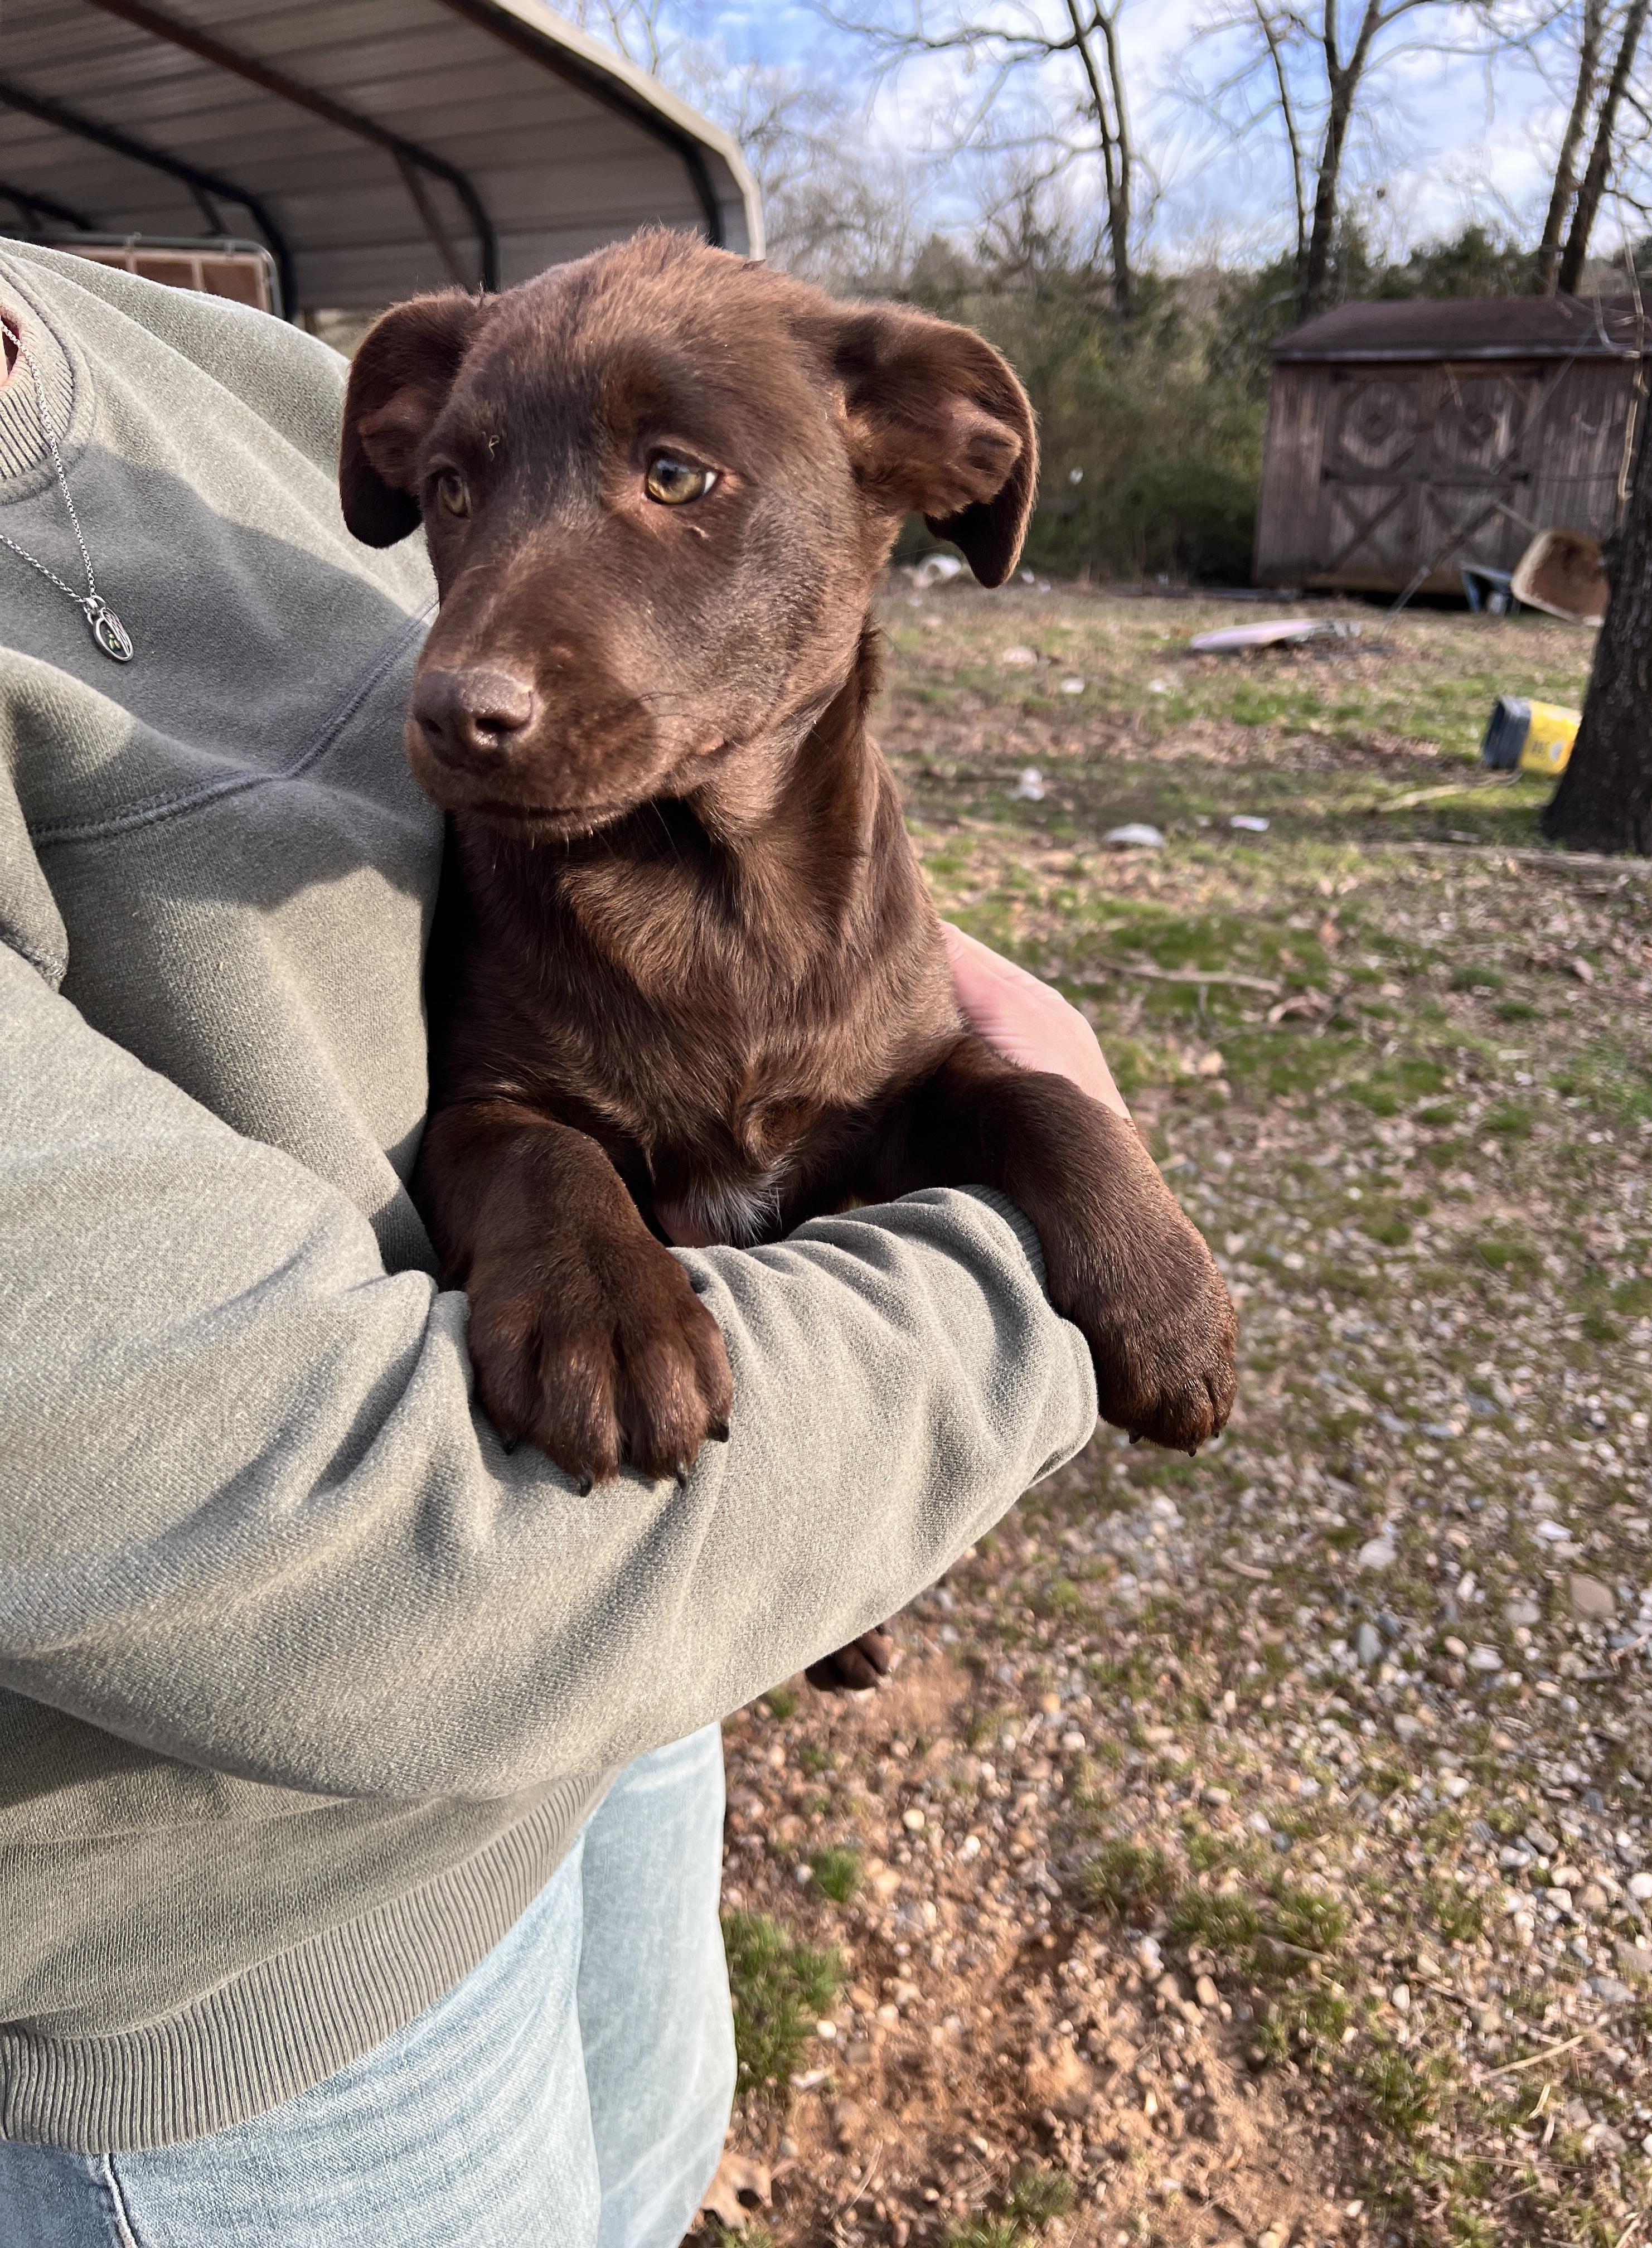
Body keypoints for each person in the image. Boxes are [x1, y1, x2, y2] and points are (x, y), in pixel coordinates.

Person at [0, 240, 1125, 2248]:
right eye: (455, 492)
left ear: (934, 456)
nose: (481, 656)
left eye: (674, 480)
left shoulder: (179, 356)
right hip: (247, 1962)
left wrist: (1018, 1152)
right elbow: (249, 1481)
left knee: (648, 2176)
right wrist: (993, 1337)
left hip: (642, 1642)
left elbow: (894, 1075)